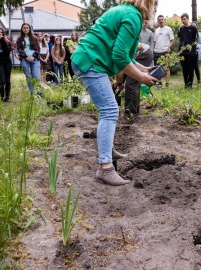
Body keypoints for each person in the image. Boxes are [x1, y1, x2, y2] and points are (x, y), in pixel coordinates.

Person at [71, 0, 158, 186]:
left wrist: (142, 68)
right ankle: (105, 168)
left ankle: (108, 150)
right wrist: (142, 78)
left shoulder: (124, 11)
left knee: (108, 110)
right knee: (110, 110)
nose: (156, 6)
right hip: (91, 62)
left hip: (88, 58)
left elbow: (122, 55)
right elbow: (118, 57)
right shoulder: (133, 16)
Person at [124, 43, 153, 122]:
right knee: (134, 82)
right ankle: (134, 111)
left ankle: (130, 113)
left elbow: (121, 69)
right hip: (145, 52)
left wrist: (119, 83)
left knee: (131, 84)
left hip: (143, 53)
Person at [16, 23, 41, 94]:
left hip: (35, 59)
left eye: (27, 27)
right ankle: (32, 92)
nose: (25, 29)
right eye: (24, 28)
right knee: (28, 76)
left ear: (29, 29)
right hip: (24, 59)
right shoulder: (19, 39)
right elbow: (19, 49)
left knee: (36, 75)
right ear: (22, 29)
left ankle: (39, 92)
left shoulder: (34, 38)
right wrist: (26, 57)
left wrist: (33, 56)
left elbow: (38, 49)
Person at [178, 13, 198, 88]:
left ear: (187, 19)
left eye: (184, 19)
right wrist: (179, 50)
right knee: (184, 68)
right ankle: (186, 83)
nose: (183, 20)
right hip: (182, 52)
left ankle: (190, 84)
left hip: (191, 52)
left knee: (190, 68)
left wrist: (193, 46)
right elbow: (180, 39)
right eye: (182, 19)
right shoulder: (181, 29)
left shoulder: (193, 28)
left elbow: (196, 40)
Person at [153, 14, 174, 88]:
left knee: (166, 68)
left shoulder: (168, 29)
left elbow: (172, 40)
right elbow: (155, 41)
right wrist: (154, 49)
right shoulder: (156, 30)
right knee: (158, 68)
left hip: (165, 51)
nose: (160, 21)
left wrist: (169, 47)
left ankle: (167, 84)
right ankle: (159, 83)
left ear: (164, 20)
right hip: (157, 51)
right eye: (159, 20)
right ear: (158, 21)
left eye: (162, 19)